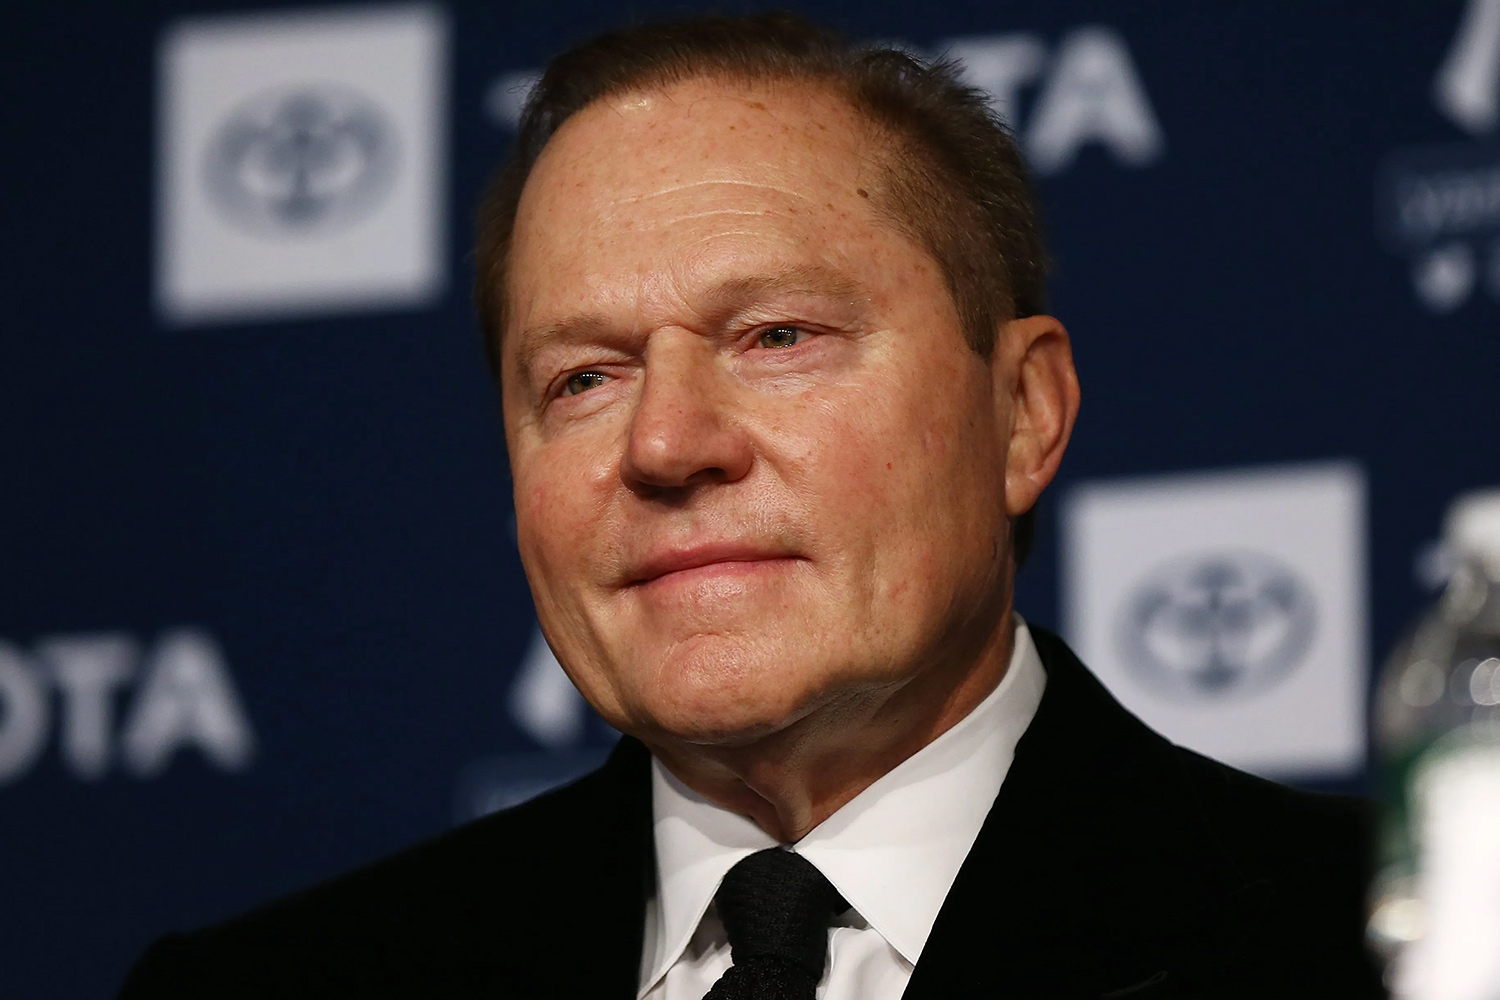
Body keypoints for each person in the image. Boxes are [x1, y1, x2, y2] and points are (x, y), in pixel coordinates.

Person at [121, 13, 1381, 999]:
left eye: (778, 335)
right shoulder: (262, 989)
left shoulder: (1390, 953)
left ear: (1022, 413)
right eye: (584, 377)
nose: (666, 442)